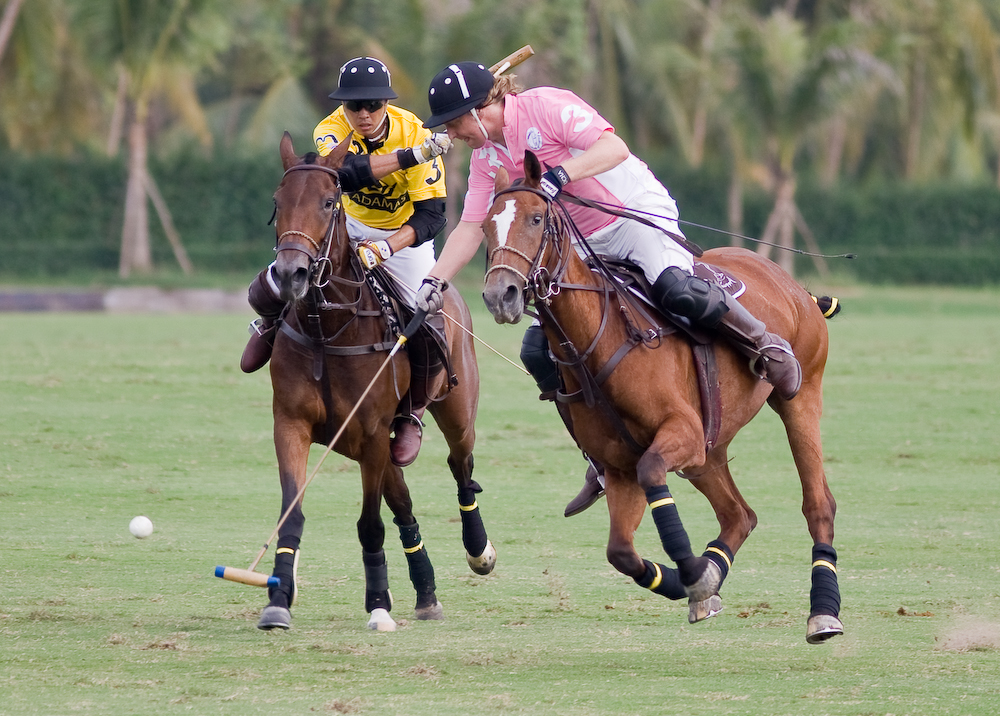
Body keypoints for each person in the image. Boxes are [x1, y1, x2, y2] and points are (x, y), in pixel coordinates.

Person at [414, 61, 802, 517]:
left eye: (454, 122)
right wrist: (435, 280)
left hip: (632, 214)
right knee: (539, 350)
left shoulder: (546, 106)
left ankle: (765, 344)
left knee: (675, 287)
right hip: (577, 241)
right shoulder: (486, 159)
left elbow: (614, 146)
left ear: (480, 110)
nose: (452, 134)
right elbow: (470, 226)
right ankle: (599, 459)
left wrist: (563, 174)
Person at [241, 56, 451, 467]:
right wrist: (413, 156)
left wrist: (386, 249)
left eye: (373, 104)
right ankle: (271, 321)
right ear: (344, 106)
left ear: (387, 103)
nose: (364, 114)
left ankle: (412, 414)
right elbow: (348, 174)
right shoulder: (331, 129)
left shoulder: (414, 132)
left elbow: (432, 217)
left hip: (404, 237)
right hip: (348, 226)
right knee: (281, 275)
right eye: (355, 105)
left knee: (428, 321)